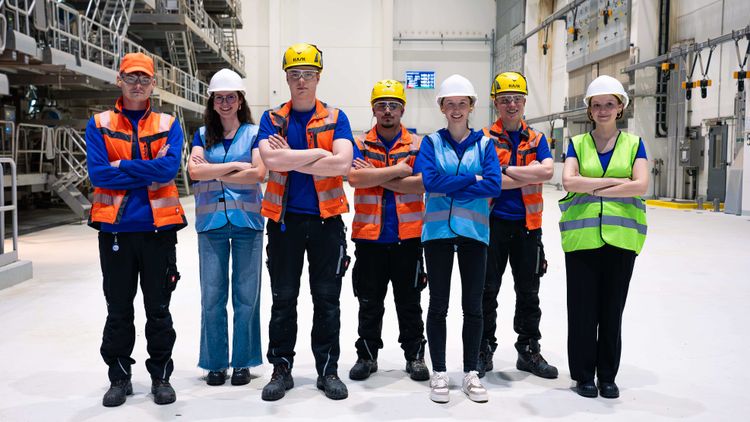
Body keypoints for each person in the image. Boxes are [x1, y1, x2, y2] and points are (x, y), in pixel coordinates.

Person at [86, 52, 186, 407]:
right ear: (120, 80)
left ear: (153, 83)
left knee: (158, 310)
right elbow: (99, 174)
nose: (138, 84)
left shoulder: (168, 123)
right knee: (118, 310)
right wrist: (147, 168)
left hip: (158, 231)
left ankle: (161, 377)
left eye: (144, 78)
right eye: (131, 77)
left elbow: (168, 171)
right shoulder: (99, 124)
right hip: (115, 231)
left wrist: (122, 165)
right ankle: (119, 378)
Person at [257, 43, 354, 401]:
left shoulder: (336, 117)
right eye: (295, 74)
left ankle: (328, 371)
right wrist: (317, 154)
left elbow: (342, 164)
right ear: (286, 77)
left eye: (308, 74)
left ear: (318, 77)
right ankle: (281, 369)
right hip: (285, 223)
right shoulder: (271, 118)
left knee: (327, 300)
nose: (301, 81)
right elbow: (271, 161)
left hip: (327, 222)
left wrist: (291, 157)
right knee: (283, 299)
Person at [560, 75, 648, 399]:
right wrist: (617, 183)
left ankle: (607, 376)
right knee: (582, 311)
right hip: (581, 239)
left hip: (622, 239)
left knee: (612, 311)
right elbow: (569, 182)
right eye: (597, 105)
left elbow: (641, 186)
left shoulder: (635, 144)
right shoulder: (577, 143)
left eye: (609, 104)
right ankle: (584, 375)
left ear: (620, 107)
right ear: (589, 109)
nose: (603, 110)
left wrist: (592, 185)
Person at [416, 74, 502, 403]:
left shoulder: (485, 144)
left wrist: (451, 182)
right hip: (437, 233)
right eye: (449, 104)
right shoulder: (431, 143)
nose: (456, 109)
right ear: (441, 107)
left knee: (473, 307)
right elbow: (430, 182)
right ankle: (439, 371)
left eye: (461, 103)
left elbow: (493, 184)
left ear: (471, 106)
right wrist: (472, 178)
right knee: (438, 305)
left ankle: (470, 372)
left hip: (474, 234)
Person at [346, 79, 429, 383]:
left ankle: (415, 356)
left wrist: (375, 175)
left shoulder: (418, 144)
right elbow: (355, 179)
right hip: (370, 237)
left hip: (409, 237)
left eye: (393, 105)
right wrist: (397, 172)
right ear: (373, 109)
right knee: (369, 303)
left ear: (402, 109)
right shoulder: (359, 143)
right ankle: (367, 356)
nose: (387, 111)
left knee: (410, 302)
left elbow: (421, 184)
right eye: (381, 105)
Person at [188, 69, 266, 387]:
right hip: (211, 225)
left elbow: (258, 173)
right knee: (212, 297)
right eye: (219, 98)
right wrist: (234, 166)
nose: (224, 103)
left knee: (247, 297)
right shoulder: (201, 134)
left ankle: (243, 362)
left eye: (230, 97)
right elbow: (194, 172)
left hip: (248, 224)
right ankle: (215, 363)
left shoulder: (255, 133)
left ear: (240, 100)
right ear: (212, 101)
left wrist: (213, 169)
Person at [478, 72, 557, 379]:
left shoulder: (537, 139)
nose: (511, 105)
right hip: (491, 225)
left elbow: (547, 172)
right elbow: (488, 181)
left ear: (524, 102)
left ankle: (528, 350)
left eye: (516, 99)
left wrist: (505, 170)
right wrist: (527, 172)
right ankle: (484, 349)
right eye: (504, 99)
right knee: (486, 291)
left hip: (527, 227)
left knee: (529, 292)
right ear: (495, 103)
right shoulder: (484, 138)